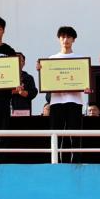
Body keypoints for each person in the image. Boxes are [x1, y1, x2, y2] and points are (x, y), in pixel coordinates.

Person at [41, 26, 88, 163]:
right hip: (56, 102)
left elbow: (85, 83)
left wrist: (86, 87)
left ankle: (76, 163)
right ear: (59, 39)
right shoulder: (51, 59)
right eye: (62, 37)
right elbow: (47, 82)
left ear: (73, 39)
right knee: (57, 134)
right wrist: (42, 71)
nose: (65, 40)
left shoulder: (80, 59)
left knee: (75, 134)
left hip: (75, 101)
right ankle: (56, 162)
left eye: (68, 37)